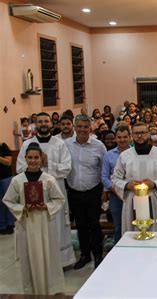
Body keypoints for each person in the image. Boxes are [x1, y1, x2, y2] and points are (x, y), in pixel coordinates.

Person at [3, 142, 65, 295]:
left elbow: (59, 199)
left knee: (48, 256)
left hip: (45, 223)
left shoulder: (48, 179)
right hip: (26, 223)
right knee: (28, 258)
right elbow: (8, 200)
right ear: (25, 158)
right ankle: (31, 292)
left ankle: (50, 291)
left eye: (36, 157)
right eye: (30, 157)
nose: (33, 161)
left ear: (41, 159)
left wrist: (46, 206)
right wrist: (21, 208)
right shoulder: (17, 180)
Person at [16, 112, 75, 268]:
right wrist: (37, 165)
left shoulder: (60, 143)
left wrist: (49, 165)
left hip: (56, 189)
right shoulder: (27, 144)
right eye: (40, 121)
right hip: (34, 191)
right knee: (37, 225)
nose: (43, 124)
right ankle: (39, 262)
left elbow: (66, 168)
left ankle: (61, 262)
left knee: (57, 223)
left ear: (51, 124)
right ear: (36, 124)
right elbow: (20, 168)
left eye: (46, 121)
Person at [112, 122, 157, 233]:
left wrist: (155, 184)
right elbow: (115, 179)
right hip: (132, 200)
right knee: (133, 234)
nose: (140, 136)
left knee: (155, 234)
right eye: (136, 133)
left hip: (154, 199)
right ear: (132, 135)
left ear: (149, 134)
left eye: (143, 132)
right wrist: (127, 185)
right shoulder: (125, 155)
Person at [66, 114, 107, 269]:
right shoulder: (66, 145)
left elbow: (104, 169)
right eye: (80, 127)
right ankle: (85, 255)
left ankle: (97, 254)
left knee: (94, 224)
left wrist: (105, 190)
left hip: (93, 191)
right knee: (80, 225)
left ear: (91, 128)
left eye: (85, 127)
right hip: (74, 192)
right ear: (75, 128)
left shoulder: (99, 146)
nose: (82, 129)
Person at [101, 126, 131, 243]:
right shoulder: (109, 155)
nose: (122, 140)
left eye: (125, 137)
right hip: (115, 196)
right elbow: (104, 177)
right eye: (119, 137)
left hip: (133, 195)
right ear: (115, 139)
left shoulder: (135, 153)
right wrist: (117, 190)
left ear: (130, 137)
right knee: (118, 227)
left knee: (134, 225)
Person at [0, 141, 14, 234]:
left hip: (6, 178)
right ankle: (2, 225)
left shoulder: (3, 146)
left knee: (8, 201)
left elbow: (8, 162)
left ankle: (10, 224)